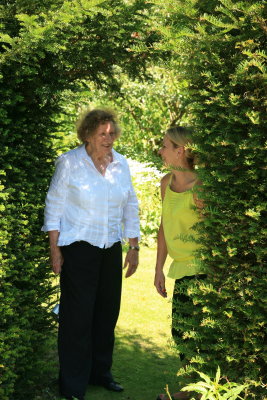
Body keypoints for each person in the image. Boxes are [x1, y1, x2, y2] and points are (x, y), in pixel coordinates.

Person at [42, 109, 140, 400]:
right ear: (87, 134)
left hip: (110, 247)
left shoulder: (121, 164)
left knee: (106, 314)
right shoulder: (70, 163)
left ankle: (101, 373)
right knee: (77, 318)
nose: (109, 138)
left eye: (112, 133)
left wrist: (133, 247)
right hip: (79, 248)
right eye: (102, 134)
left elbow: (130, 206)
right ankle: (73, 383)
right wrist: (54, 249)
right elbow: (54, 205)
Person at [154, 126, 204, 400]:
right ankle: (193, 391)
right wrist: (158, 268)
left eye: (165, 146)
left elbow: (213, 235)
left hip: (202, 270)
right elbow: (164, 227)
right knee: (181, 333)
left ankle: (194, 393)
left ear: (180, 150)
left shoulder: (201, 187)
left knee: (196, 334)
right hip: (181, 269)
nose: (160, 150)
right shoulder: (165, 183)